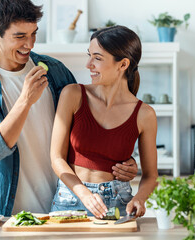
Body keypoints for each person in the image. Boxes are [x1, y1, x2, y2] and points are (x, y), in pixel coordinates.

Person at [0, 0, 138, 217]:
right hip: (6, 212)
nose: (30, 44)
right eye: (20, 37)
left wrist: (123, 163)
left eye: (33, 34)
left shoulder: (55, 71)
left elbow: (91, 128)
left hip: (67, 205)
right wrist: (25, 100)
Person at [50, 25, 158, 219]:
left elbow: (150, 175)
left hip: (119, 201)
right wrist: (83, 193)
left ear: (123, 64)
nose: (88, 64)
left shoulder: (145, 114)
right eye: (89, 55)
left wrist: (140, 198)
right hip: (71, 197)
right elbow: (56, 158)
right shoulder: (73, 94)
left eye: (97, 58)